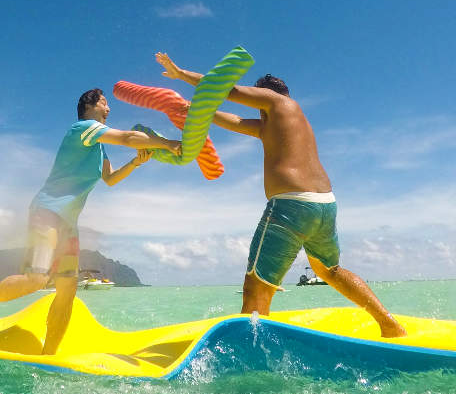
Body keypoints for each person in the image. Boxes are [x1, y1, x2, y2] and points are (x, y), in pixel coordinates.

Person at [155, 52, 406, 338]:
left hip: (291, 207)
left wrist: (181, 74)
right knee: (330, 271)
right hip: (324, 206)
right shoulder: (277, 123)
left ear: (263, 95)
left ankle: (252, 353)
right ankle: (389, 324)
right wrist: (193, 109)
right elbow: (233, 120)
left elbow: (225, 90)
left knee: (256, 286)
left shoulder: (279, 102)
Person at [0, 88, 182, 352]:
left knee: (67, 289)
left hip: (68, 223)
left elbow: (110, 179)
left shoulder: (99, 148)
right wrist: (167, 143)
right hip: (47, 212)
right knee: (37, 279)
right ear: (88, 107)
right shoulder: (83, 129)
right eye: (104, 102)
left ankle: (49, 355)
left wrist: (135, 162)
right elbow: (126, 137)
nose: (108, 108)